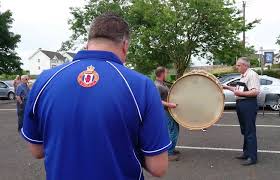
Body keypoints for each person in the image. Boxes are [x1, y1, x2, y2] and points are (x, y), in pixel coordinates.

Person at [21, 13, 171, 180]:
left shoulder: (45, 80)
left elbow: (37, 151)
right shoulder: (141, 86)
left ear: (88, 43)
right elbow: (158, 167)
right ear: (125, 45)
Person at [222, 57, 260, 166]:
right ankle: (246, 153)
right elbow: (238, 90)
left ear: (245, 65)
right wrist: (227, 87)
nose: (236, 67)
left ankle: (252, 157)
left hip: (248, 104)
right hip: (242, 104)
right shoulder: (243, 76)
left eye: (238, 65)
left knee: (249, 131)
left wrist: (240, 94)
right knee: (245, 130)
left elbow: (255, 92)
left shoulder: (252, 75)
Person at [154, 67, 180, 161]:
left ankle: (171, 149)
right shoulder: (157, 85)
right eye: (166, 73)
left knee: (175, 129)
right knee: (173, 131)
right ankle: (169, 153)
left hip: (169, 110)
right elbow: (157, 100)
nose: (167, 74)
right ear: (162, 74)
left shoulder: (162, 84)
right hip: (165, 110)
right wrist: (170, 104)